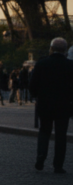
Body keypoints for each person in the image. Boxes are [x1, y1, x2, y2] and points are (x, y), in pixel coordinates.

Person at [29, 38, 73, 174]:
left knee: (44, 131)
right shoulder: (70, 65)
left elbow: (33, 84)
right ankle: (58, 165)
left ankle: (41, 156)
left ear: (51, 49)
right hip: (64, 105)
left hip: (45, 103)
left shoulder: (42, 63)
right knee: (61, 135)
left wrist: (36, 96)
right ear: (65, 51)